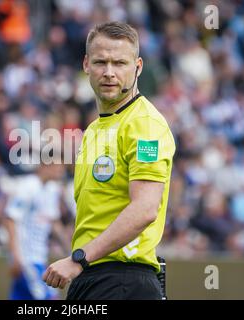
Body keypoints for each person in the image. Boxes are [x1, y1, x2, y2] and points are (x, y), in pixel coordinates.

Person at [42, 22, 176, 300]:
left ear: (138, 67)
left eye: (120, 63)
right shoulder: (93, 131)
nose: (110, 72)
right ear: (86, 65)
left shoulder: (144, 124)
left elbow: (144, 209)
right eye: (101, 62)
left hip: (123, 280)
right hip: (94, 277)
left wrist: (78, 259)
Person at [5, 159, 70, 300]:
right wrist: (15, 255)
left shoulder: (51, 189)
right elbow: (10, 219)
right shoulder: (28, 186)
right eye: (58, 166)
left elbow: (53, 222)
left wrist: (69, 248)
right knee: (50, 297)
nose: (61, 171)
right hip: (26, 258)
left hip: (39, 256)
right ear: (46, 165)